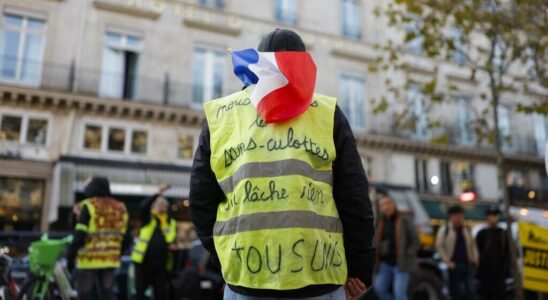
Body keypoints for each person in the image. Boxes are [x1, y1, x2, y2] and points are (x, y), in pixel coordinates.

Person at [189, 28, 375, 300]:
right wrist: (359, 268)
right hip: (320, 280)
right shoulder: (327, 113)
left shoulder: (221, 116)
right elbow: (354, 197)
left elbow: (200, 201)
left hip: (245, 280)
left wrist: (226, 257)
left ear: (260, 63)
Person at [67, 177, 130, 300]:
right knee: (107, 295)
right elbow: (126, 237)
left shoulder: (88, 206)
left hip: (88, 260)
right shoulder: (121, 208)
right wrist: (118, 253)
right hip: (110, 259)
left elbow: (79, 235)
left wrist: (71, 257)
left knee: (84, 296)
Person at [131, 185, 178, 300]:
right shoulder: (148, 219)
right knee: (140, 294)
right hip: (143, 264)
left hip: (161, 266)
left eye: (163, 207)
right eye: (159, 206)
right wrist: (157, 193)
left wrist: (164, 224)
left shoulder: (170, 222)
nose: (161, 209)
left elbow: (171, 239)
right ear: (154, 207)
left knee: (160, 294)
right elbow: (143, 206)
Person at [373, 193, 418, 300]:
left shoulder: (404, 220)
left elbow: (415, 240)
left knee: (400, 294)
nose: (386, 206)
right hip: (385, 264)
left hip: (400, 264)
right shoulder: (380, 223)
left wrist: (408, 253)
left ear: (393, 204)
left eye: (388, 203)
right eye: (383, 205)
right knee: (379, 288)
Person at [435, 205, 478, 300]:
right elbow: (439, 246)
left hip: (467, 263)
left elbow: (472, 245)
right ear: (452, 216)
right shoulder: (445, 229)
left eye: (461, 215)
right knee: (455, 291)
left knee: (470, 290)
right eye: (458, 215)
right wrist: (448, 261)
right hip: (454, 264)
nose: (460, 218)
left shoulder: (466, 229)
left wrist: (475, 259)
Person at [475, 205, 510, 300]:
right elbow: (477, 252)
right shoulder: (481, 233)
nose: (494, 218)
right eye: (491, 215)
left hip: (499, 271)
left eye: (495, 215)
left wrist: (506, 269)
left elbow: (507, 252)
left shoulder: (502, 233)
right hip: (485, 271)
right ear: (487, 217)